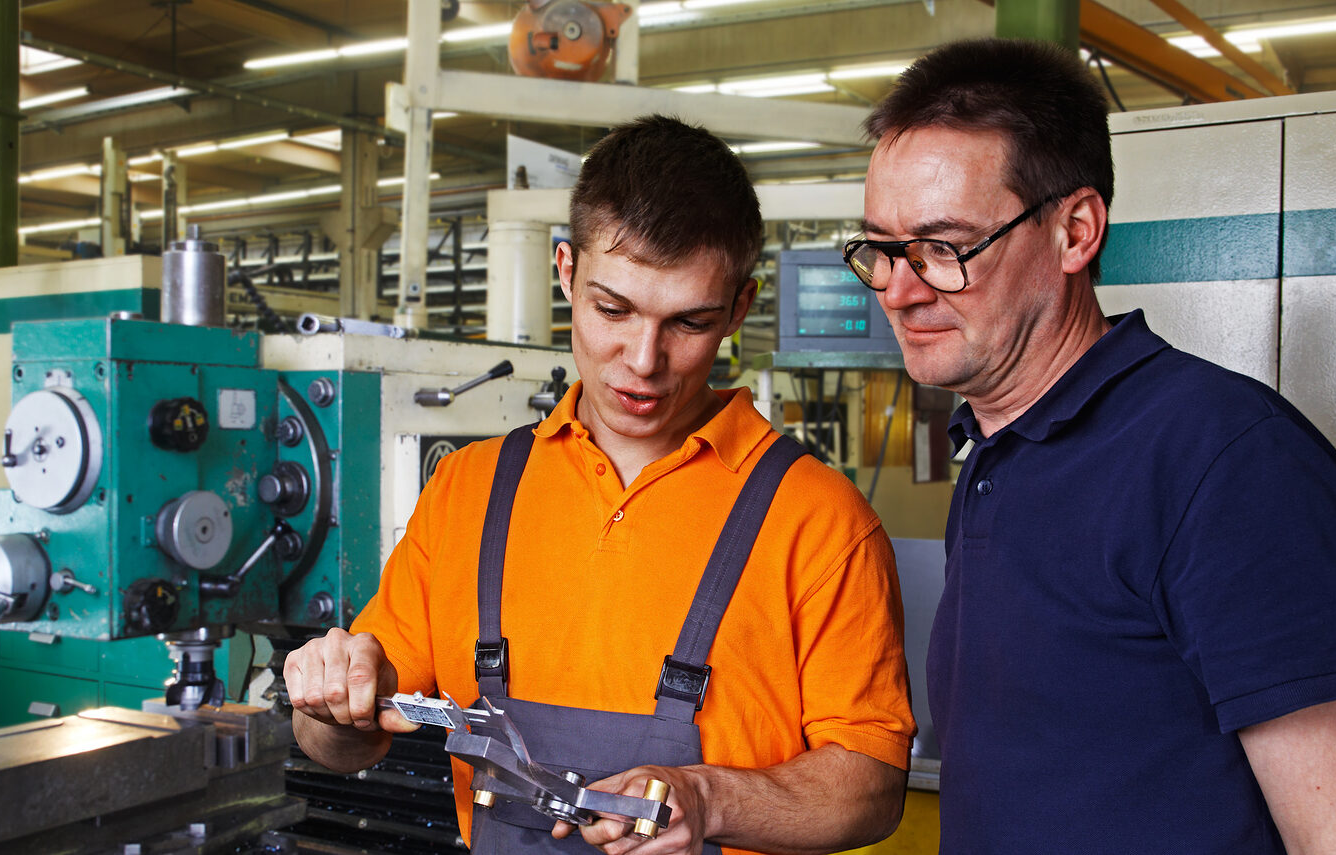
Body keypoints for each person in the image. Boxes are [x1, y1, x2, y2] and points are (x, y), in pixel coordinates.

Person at [285, 114, 915, 855]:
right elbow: (343, 746)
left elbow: (872, 788)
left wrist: (707, 798)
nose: (643, 360)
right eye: (613, 309)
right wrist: (330, 701)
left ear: (739, 309)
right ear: (566, 272)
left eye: (689, 322)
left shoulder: (820, 520)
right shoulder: (468, 491)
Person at [852, 37, 1336, 854]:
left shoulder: (1228, 463)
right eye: (881, 249)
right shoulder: (994, 450)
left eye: (944, 248)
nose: (901, 289)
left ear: (1076, 231)